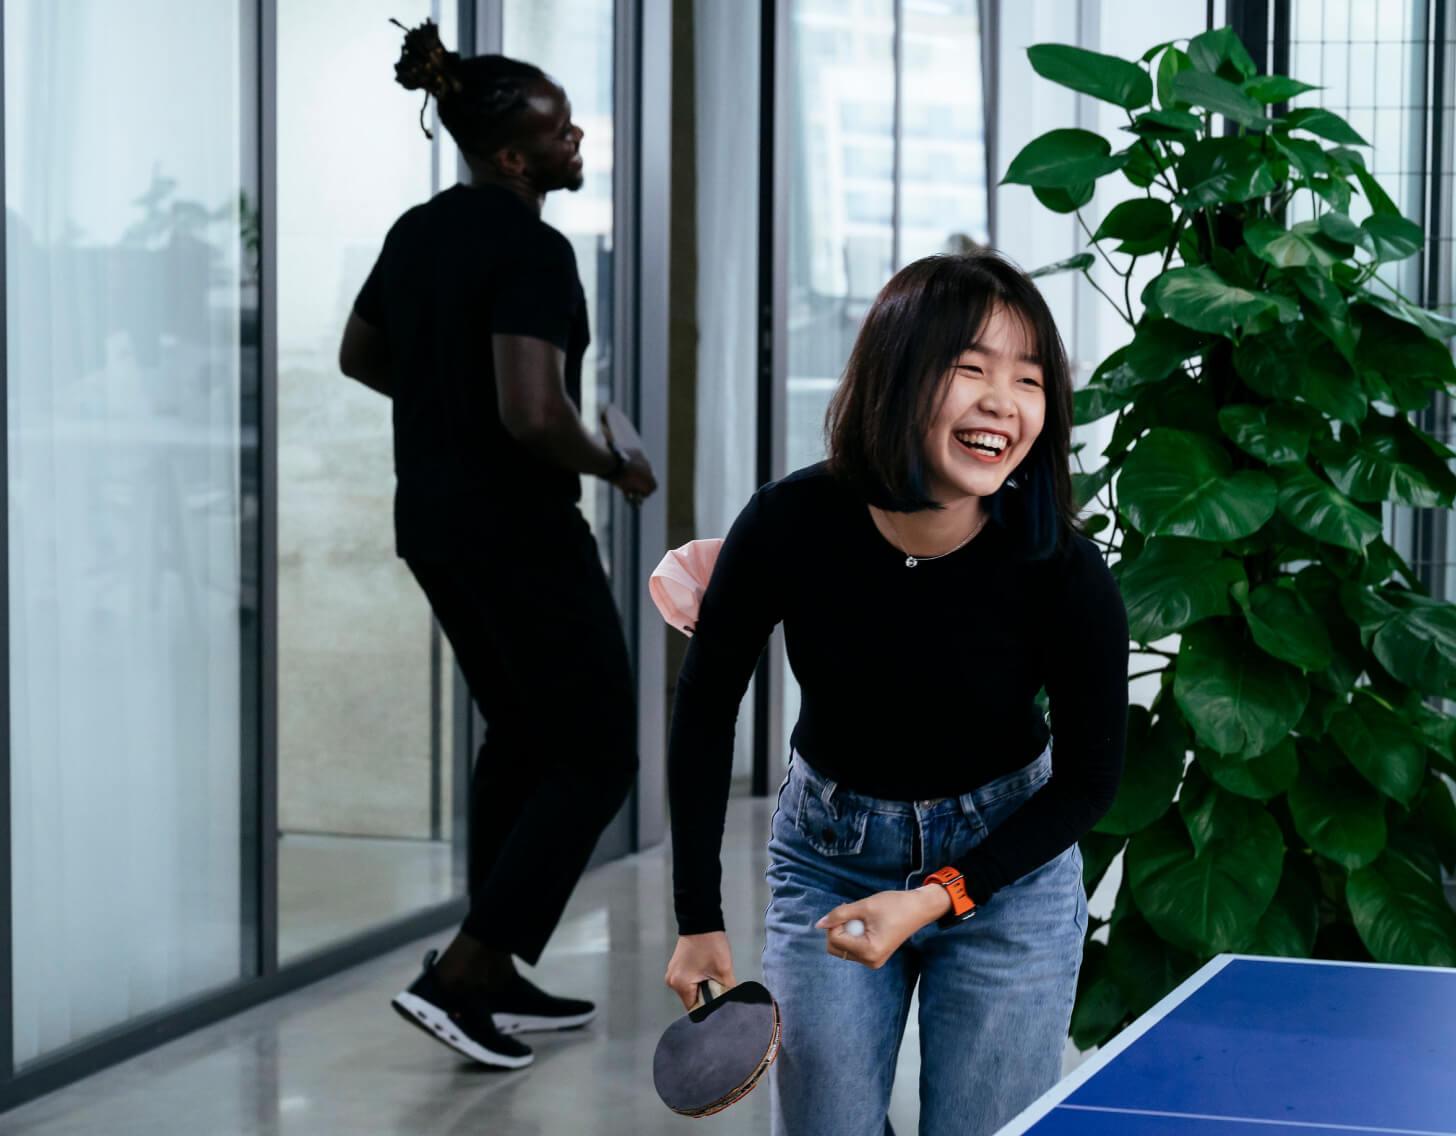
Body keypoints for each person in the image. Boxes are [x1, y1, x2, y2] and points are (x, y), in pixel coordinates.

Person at [662, 252, 1128, 1134]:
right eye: (970, 369)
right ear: (898, 374)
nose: (1005, 402)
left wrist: (937, 893)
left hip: (1008, 871)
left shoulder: (1063, 570)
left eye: (1029, 379)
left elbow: (1088, 782)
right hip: (830, 854)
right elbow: (706, 708)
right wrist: (698, 917)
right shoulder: (789, 523)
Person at [339, 19, 657, 1070]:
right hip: (518, 525)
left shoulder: (418, 229)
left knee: (520, 735)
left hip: (431, 520)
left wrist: (449, 406)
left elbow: (362, 353)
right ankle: (467, 970)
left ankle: (493, 965)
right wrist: (614, 462)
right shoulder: (532, 246)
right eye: (559, 132)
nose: (578, 142)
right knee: (599, 746)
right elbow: (531, 412)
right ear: (512, 155)